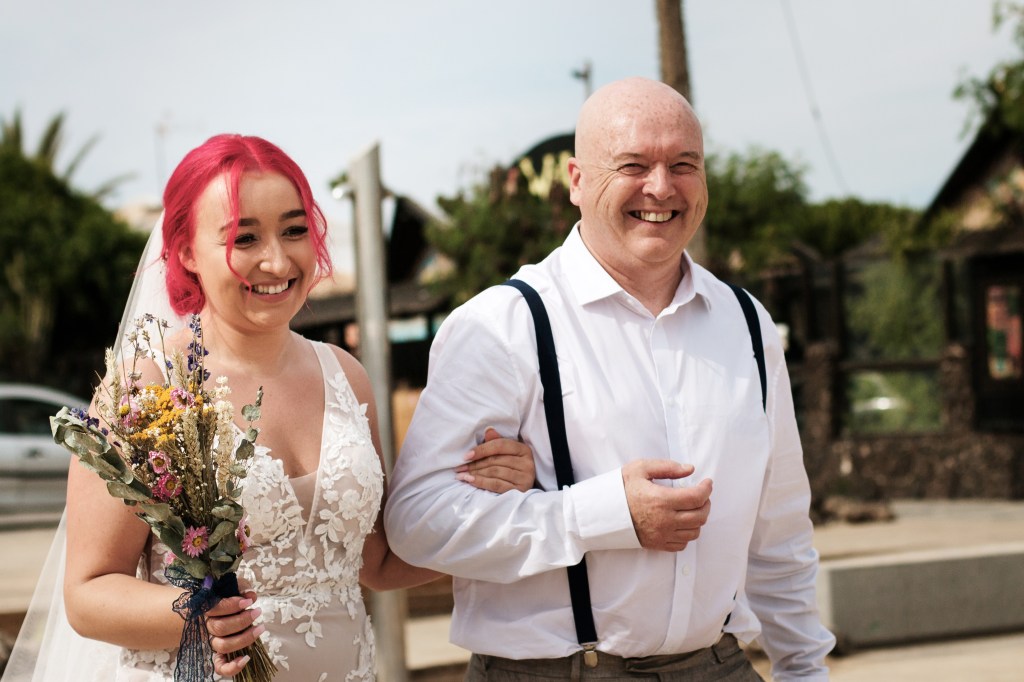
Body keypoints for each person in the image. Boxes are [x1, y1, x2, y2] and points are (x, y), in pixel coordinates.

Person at [1, 134, 535, 682]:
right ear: (186, 252)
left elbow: (374, 563)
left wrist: (492, 500)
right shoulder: (146, 387)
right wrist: (196, 616)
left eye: (294, 230)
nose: (277, 260)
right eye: (244, 237)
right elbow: (87, 593)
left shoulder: (346, 375)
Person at [383, 77, 836, 681]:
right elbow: (418, 522)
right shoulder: (502, 326)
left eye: (684, 164)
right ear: (576, 180)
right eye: (633, 164)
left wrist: (804, 669)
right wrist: (603, 513)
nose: (661, 187)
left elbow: (779, 531)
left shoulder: (748, 324)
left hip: (719, 667)